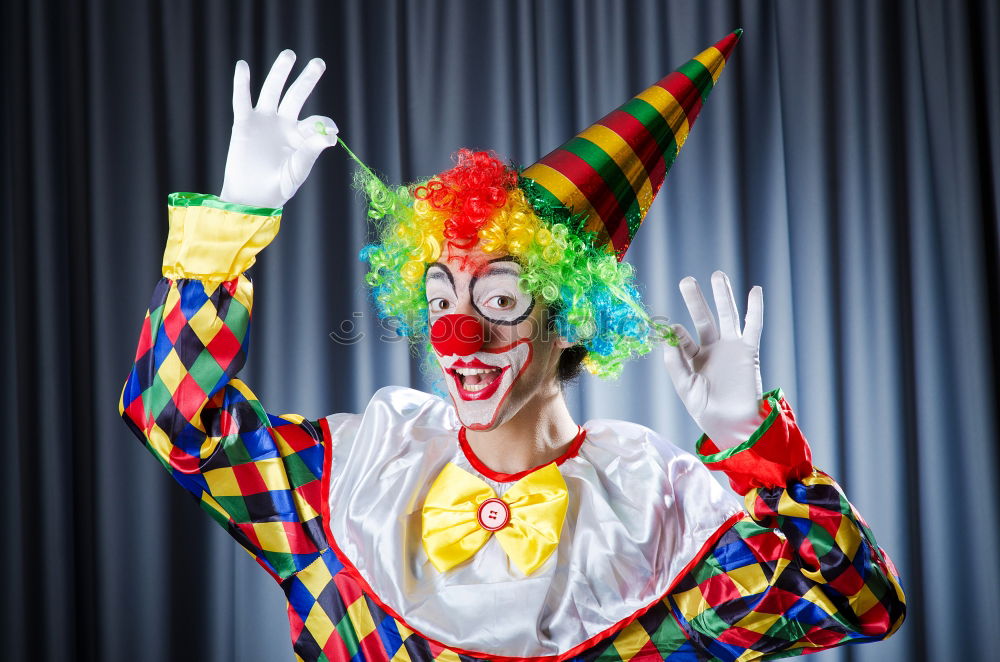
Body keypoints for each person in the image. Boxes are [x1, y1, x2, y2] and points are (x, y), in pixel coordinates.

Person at [120, 31, 905, 662]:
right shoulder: (351, 481)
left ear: (569, 316)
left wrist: (758, 448)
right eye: (439, 300)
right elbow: (174, 418)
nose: (462, 334)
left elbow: (857, 604)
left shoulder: (661, 513)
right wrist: (231, 222)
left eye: (499, 300)